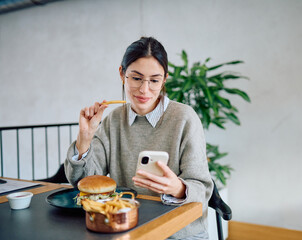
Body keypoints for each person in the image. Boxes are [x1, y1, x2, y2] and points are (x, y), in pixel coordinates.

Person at [64, 37, 213, 239]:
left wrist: (178, 189)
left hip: (179, 233)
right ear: (122, 74)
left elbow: (202, 189)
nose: (144, 90)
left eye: (154, 80)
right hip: (126, 229)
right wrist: (85, 138)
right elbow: (83, 183)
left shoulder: (185, 118)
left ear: (164, 80)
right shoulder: (113, 120)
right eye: (136, 78)